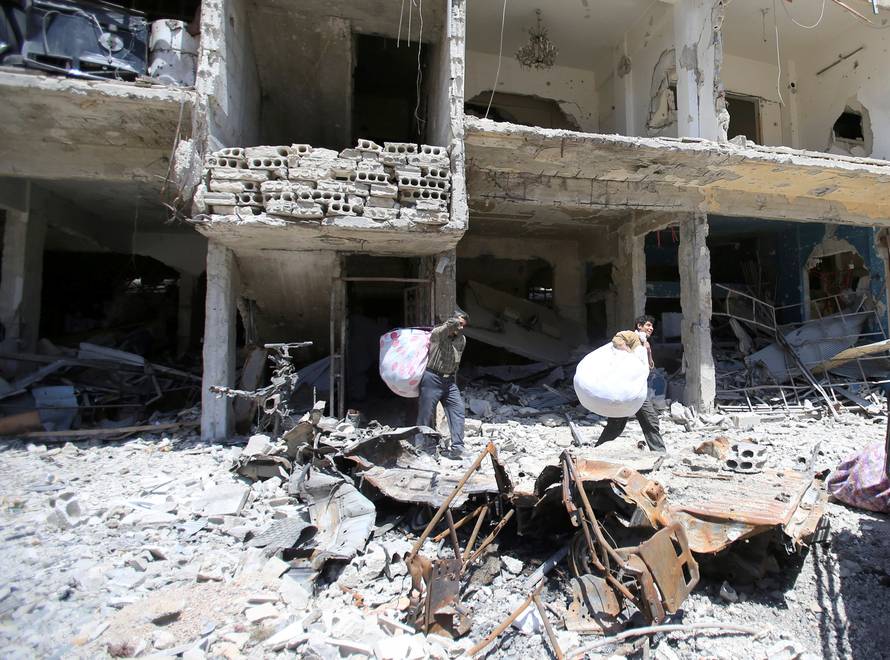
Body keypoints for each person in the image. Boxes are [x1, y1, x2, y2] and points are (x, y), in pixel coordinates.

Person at [595, 315, 666, 453]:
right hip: (624, 390)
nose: (651, 328)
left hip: (638, 390)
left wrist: (648, 351)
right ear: (639, 326)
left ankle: (659, 453)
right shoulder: (632, 336)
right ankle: (597, 451)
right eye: (648, 325)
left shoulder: (644, 343)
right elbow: (617, 339)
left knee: (650, 420)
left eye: (652, 326)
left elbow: (649, 366)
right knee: (616, 425)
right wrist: (630, 352)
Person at [417, 309, 469, 459]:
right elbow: (445, 328)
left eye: (463, 325)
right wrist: (453, 321)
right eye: (459, 324)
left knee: (458, 411)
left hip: (449, 382)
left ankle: (458, 447)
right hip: (432, 379)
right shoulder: (437, 334)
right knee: (425, 415)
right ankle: (418, 447)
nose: (461, 328)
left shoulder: (461, 339)